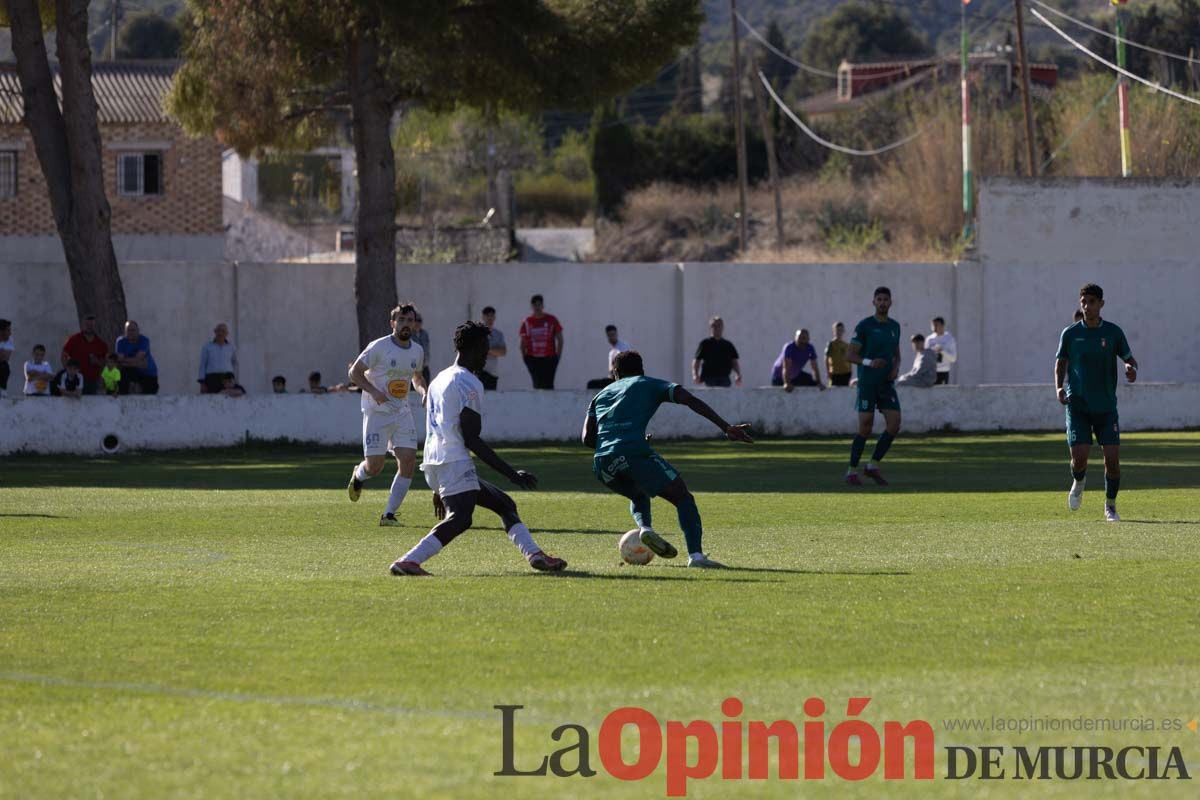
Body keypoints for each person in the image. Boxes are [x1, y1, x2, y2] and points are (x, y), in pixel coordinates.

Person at [390, 321, 567, 576]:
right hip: (453, 460)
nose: (487, 354)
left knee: (505, 504)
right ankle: (409, 560)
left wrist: (438, 485)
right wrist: (510, 473)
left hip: (434, 461)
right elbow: (471, 437)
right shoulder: (468, 382)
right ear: (472, 348)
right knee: (461, 518)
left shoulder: (440, 378)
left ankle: (535, 555)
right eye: (484, 348)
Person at [583, 350, 754, 569]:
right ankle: (696, 557)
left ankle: (645, 529)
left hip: (602, 462)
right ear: (642, 370)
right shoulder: (649, 383)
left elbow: (587, 439)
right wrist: (726, 427)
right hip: (633, 451)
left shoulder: (600, 395)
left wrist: (617, 444)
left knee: (638, 493)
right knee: (683, 498)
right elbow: (689, 399)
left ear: (615, 373)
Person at [1056, 283, 1137, 522]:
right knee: (1079, 459)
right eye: (1083, 302)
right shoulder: (1070, 333)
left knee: (1112, 461)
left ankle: (1110, 506)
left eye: (1091, 302)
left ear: (1101, 304)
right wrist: (1059, 387)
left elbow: (1129, 358)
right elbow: (1060, 363)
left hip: (1105, 407)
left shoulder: (1113, 332)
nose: (1086, 306)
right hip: (1078, 405)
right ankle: (1079, 481)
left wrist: (1130, 368)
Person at [346, 304, 428, 527]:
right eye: (401, 320)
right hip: (377, 412)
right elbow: (354, 372)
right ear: (393, 323)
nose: (406, 324)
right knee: (375, 467)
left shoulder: (417, 350)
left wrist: (423, 391)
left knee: (409, 461)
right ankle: (359, 475)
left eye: (410, 320)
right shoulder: (379, 347)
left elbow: (417, 377)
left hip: (402, 412)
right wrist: (374, 391)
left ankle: (388, 515)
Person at [845, 287, 902, 487]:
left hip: (886, 384)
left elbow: (897, 354)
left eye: (886, 299)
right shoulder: (865, 326)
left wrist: (895, 368)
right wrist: (869, 363)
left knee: (894, 424)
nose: (882, 302)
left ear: (891, 302)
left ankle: (872, 466)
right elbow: (850, 355)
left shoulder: (895, 326)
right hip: (868, 383)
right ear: (873, 302)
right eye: (879, 299)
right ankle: (852, 470)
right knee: (865, 427)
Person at [519, 294, 564, 390]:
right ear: (531, 306)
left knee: (548, 385)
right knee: (537, 385)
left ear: (543, 306)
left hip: (549, 358)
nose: (537, 307)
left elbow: (560, 338)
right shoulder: (527, 321)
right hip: (533, 359)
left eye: (539, 304)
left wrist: (557, 356)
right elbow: (523, 342)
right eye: (535, 305)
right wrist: (525, 358)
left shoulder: (551, 319)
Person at [62, 314, 109, 395]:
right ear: (82, 325)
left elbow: (107, 363)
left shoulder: (101, 344)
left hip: (92, 381)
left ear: (95, 326)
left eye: (92, 325)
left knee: (90, 404)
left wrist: (97, 361)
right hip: (75, 379)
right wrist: (68, 371)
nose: (89, 327)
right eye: (87, 324)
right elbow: (63, 356)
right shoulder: (74, 339)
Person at [692, 316, 742, 387]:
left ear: (722, 327)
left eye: (719, 326)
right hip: (709, 379)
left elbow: (734, 361)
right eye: (714, 326)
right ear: (710, 327)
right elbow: (697, 360)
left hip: (724, 379)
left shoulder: (728, 345)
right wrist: (695, 374)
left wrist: (738, 374)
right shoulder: (705, 344)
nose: (717, 328)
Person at [114, 320, 159, 395]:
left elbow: (138, 359)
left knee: (149, 396)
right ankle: (122, 397)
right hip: (133, 371)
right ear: (125, 332)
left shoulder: (144, 341)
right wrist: (136, 363)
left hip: (148, 374)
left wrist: (124, 360)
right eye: (128, 330)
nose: (131, 332)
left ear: (138, 331)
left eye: (133, 330)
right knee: (122, 373)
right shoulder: (121, 342)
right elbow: (119, 361)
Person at [586, 324, 630, 390]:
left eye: (613, 335)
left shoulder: (623, 346)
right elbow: (611, 371)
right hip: (613, 379)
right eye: (609, 335)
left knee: (591, 384)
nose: (611, 337)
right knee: (591, 384)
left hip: (621, 380)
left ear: (616, 334)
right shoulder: (612, 352)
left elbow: (624, 364)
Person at [198, 323, 237, 394]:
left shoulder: (231, 347)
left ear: (226, 333)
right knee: (215, 393)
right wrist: (202, 383)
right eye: (218, 331)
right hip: (212, 377)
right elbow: (203, 364)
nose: (220, 333)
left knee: (241, 391)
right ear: (215, 332)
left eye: (223, 331)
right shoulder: (207, 347)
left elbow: (235, 363)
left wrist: (233, 378)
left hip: (227, 377)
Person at [925, 316, 957, 386]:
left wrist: (942, 350)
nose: (934, 327)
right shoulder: (929, 339)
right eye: (932, 325)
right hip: (931, 372)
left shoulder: (949, 339)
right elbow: (925, 356)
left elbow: (953, 359)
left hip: (943, 372)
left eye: (936, 325)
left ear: (942, 326)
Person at [480, 306, 506, 391]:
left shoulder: (498, 334)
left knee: (490, 399)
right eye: (487, 315)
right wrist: (494, 350)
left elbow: (503, 352)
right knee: (474, 399)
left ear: (494, 317)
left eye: (492, 316)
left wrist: (487, 349)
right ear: (483, 317)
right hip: (477, 372)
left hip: (492, 373)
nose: (490, 318)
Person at [825, 321, 852, 387]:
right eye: (837, 330)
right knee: (833, 391)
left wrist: (850, 371)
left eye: (841, 330)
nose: (839, 332)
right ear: (834, 331)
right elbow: (826, 358)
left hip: (846, 373)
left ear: (843, 331)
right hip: (835, 374)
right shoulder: (831, 344)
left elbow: (849, 359)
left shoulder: (846, 345)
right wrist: (828, 372)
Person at [411, 308, 432, 385]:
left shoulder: (424, 334)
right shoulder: (409, 335)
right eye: (416, 320)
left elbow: (427, 349)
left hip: (424, 368)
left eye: (420, 321)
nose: (418, 323)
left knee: (426, 389)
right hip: (413, 369)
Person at [0, 319, 12, 398]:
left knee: (4, 366)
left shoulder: (10, 340)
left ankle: (2, 389)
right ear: (1, 331)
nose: (10, 333)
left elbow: (5, 357)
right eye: (8, 330)